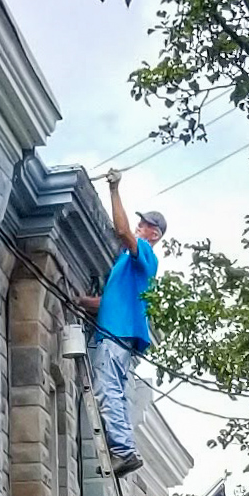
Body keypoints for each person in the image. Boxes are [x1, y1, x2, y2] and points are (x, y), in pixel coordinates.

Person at [78, 170, 167, 478]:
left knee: (107, 389)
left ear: (155, 235)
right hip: (117, 331)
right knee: (111, 388)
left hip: (116, 334)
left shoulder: (144, 255)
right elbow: (108, 303)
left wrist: (114, 190)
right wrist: (79, 301)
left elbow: (121, 230)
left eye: (146, 225)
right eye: (140, 223)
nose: (140, 227)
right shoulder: (126, 267)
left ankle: (124, 451)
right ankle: (124, 447)